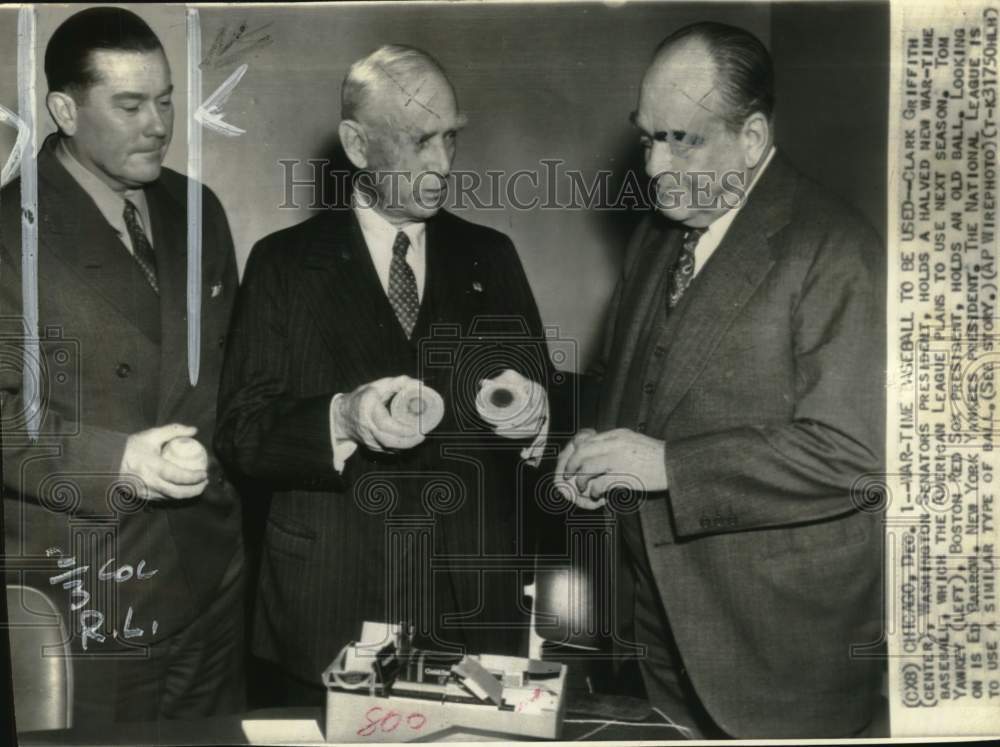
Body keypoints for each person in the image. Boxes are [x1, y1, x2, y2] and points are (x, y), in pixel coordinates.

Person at [555, 22, 886, 738]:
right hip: (657, 630)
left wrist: (666, 465)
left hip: (773, 654)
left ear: (754, 137)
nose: (654, 166)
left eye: (685, 139)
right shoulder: (660, 234)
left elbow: (852, 455)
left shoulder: (836, 248)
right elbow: (631, 387)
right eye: (648, 138)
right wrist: (561, 428)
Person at [215, 45, 557, 704]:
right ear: (357, 144)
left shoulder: (493, 255)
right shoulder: (284, 266)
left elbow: (547, 420)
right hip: (326, 612)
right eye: (419, 140)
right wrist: (340, 417)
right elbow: (241, 433)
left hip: (472, 611)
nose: (441, 163)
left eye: (450, 137)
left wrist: (539, 418)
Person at [0, 7, 243, 725]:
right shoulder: (8, 235)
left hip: (210, 573)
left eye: (165, 100)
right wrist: (118, 461)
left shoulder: (197, 209)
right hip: (87, 585)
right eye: (130, 105)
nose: (159, 125)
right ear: (65, 110)